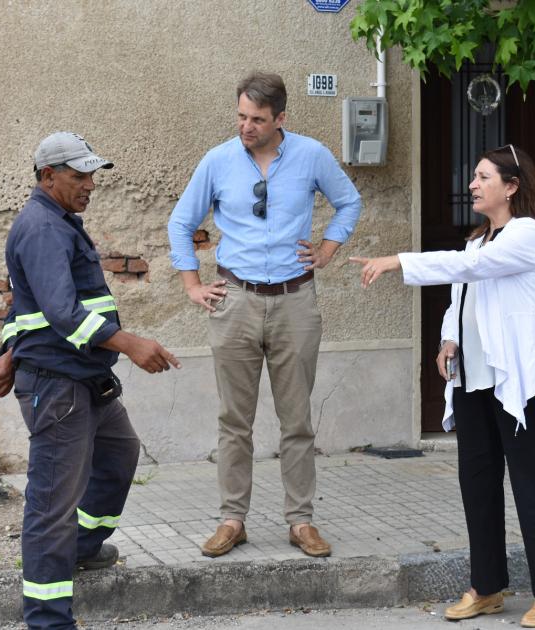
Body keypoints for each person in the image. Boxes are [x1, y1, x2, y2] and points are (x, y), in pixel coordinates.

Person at [349, 145, 535, 628]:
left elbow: (469, 270)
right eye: (473, 176)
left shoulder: (529, 235)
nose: (472, 184)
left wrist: (397, 262)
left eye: (482, 176)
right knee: (478, 486)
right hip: (474, 381)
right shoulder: (477, 240)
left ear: (511, 186)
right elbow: (462, 296)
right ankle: (487, 587)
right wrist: (448, 339)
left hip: (519, 384)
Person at [0, 131, 180, 630]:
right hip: (58, 384)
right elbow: (62, 313)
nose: (90, 184)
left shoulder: (59, 221)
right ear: (48, 176)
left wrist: (9, 349)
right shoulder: (43, 227)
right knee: (51, 501)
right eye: (79, 176)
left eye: (93, 175)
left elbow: (21, 306)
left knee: (118, 457)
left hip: (83, 378)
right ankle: (48, 618)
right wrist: (130, 343)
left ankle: (81, 548)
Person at [167, 71, 361, 559]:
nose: (245, 126)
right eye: (240, 116)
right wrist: (192, 284)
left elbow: (349, 201)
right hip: (234, 300)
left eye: (256, 119)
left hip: (295, 301)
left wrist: (328, 249)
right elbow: (181, 222)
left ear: (280, 119)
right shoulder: (217, 161)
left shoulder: (311, 155)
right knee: (234, 420)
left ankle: (301, 522)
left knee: (297, 420)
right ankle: (233, 519)